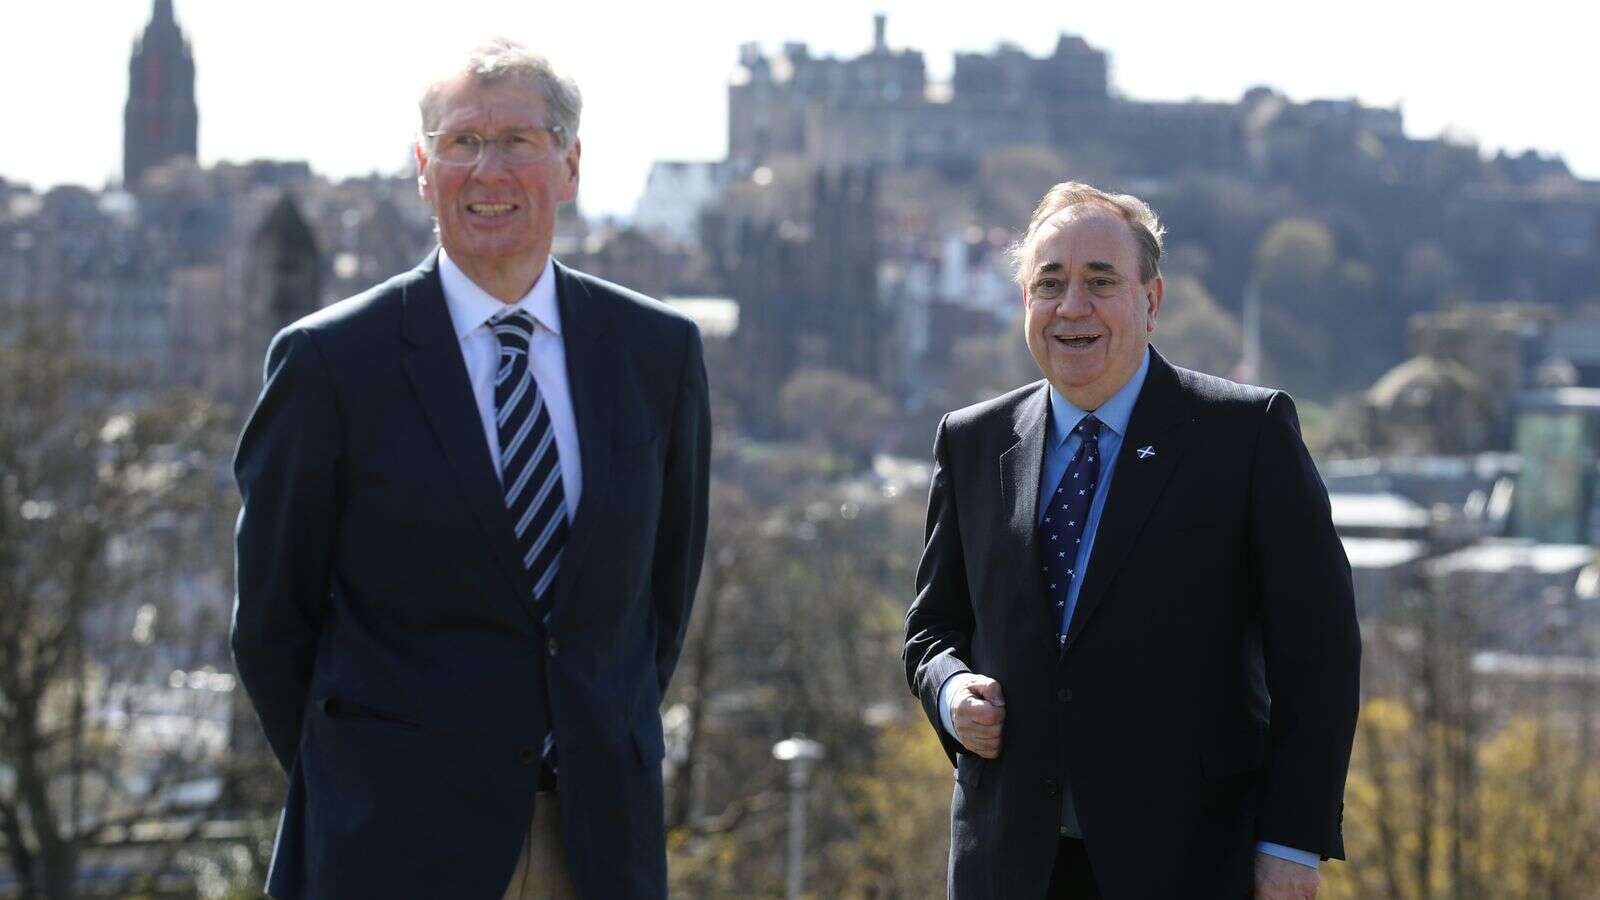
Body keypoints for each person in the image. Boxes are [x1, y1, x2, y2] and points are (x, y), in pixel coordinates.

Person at [232, 39, 709, 899]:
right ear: (423, 168)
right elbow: (272, 624)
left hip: (596, 840)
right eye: (460, 143)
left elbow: (657, 606)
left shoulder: (657, 355)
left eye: (520, 141)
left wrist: (591, 726)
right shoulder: (332, 364)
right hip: (390, 841)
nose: (488, 170)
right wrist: (355, 776)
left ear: (570, 165)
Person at [902, 182, 1359, 899]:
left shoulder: (1246, 436)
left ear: (1151, 301)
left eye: (1100, 282)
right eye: (1049, 283)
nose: (1072, 306)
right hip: (1010, 865)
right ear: (1026, 303)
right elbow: (932, 628)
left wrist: (1291, 841)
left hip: (1189, 864)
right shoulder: (971, 441)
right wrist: (951, 690)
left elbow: (1319, 656)